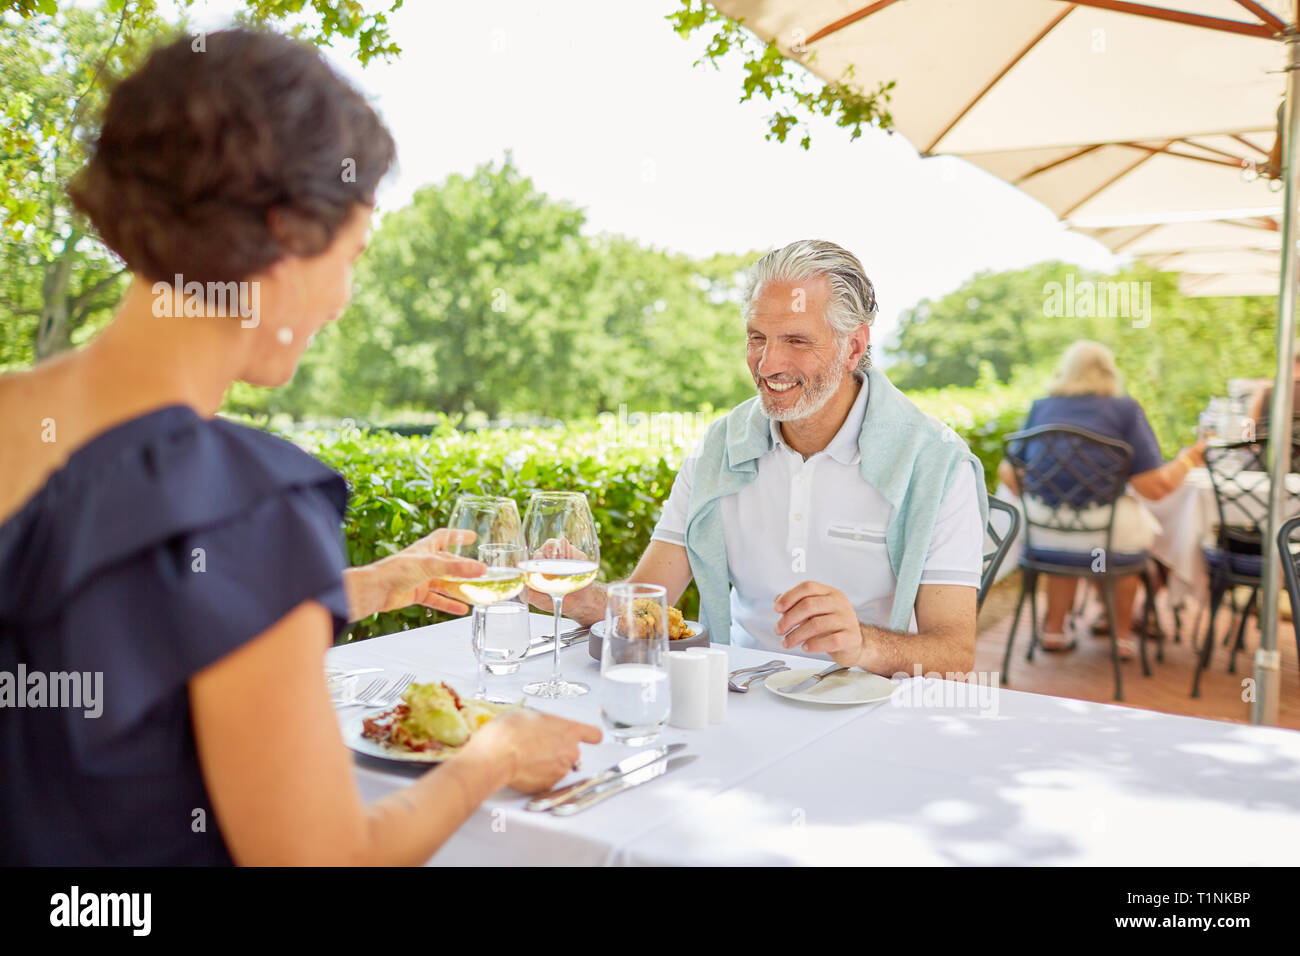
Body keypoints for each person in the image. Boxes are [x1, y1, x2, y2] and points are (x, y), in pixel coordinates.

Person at [0, 29, 599, 866]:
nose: (344, 300)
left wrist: (367, 585)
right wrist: (492, 755)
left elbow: (122, 616)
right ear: (286, 234)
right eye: (352, 255)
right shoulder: (245, 500)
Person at [529, 240, 988, 677]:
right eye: (757, 337)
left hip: (872, 712)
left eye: (796, 341)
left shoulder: (936, 465)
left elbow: (953, 654)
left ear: (853, 346)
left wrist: (863, 645)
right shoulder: (720, 449)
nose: (768, 364)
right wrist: (587, 601)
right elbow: (648, 600)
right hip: (740, 695)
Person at [996, 341, 1205, 659]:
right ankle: (1122, 636)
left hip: (1042, 529)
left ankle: (1053, 631)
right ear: (1111, 372)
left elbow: (1008, 473)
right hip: (1105, 532)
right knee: (1128, 533)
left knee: (1067, 530)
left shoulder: (1043, 406)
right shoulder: (1124, 409)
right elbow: (1155, 488)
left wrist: (1052, 483)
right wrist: (1190, 459)